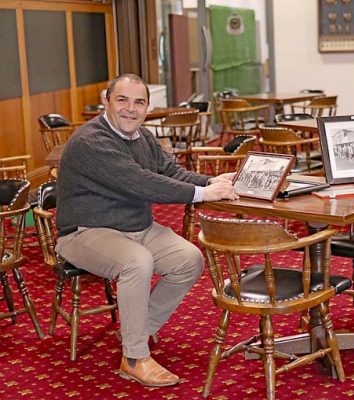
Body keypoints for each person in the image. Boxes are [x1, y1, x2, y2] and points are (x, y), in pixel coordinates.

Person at [55, 74, 239, 387]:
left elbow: (170, 172)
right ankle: (135, 357)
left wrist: (209, 182)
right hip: (84, 232)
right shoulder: (92, 142)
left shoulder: (142, 136)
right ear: (107, 103)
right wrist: (203, 195)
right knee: (137, 261)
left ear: (147, 107)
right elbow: (142, 182)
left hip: (136, 227)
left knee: (189, 259)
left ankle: (136, 328)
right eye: (122, 100)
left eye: (139, 102)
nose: (131, 109)